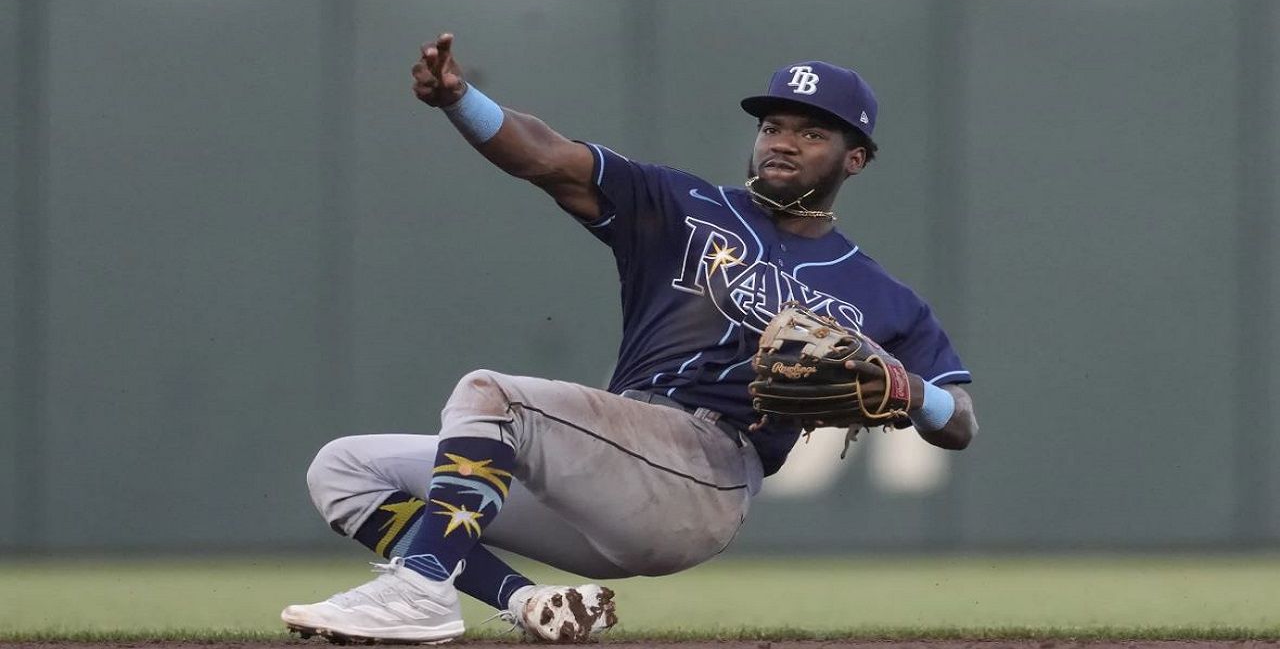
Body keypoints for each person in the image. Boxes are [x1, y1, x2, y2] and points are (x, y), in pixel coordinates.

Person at [280, 33, 978, 645]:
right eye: (774, 126)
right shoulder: (681, 205)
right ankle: (527, 604)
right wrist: (460, 100)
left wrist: (910, 392)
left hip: (707, 474)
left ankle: (419, 589)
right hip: (611, 479)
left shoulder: (880, 296)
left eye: (810, 132)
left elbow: (960, 421)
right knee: (345, 468)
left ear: (854, 159)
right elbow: (547, 158)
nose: (783, 141)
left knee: (492, 397)